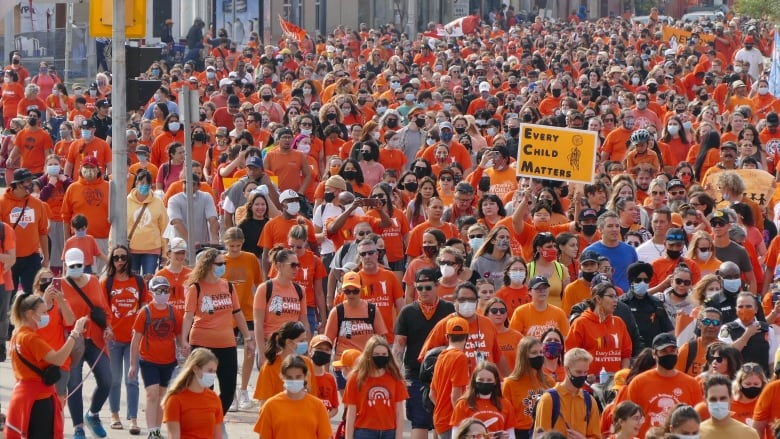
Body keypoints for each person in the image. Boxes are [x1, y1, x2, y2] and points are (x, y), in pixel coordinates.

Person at [181, 247, 255, 415]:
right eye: (219, 264)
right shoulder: (196, 288)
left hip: (227, 343)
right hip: (201, 343)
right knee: (205, 387)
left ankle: (215, 418)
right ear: (208, 265)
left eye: (224, 263)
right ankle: (205, 421)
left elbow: (237, 312)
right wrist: (184, 340)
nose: (223, 266)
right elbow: (188, 316)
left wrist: (247, 337)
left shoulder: (228, 286)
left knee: (229, 390)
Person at [4, 292, 87, 439]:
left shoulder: (17, 334)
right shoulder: (30, 338)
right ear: (30, 314)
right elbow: (58, 359)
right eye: (43, 312)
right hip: (38, 399)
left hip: (23, 396)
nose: (46, 315)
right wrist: (75, 333)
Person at [394, 267, 455, 438]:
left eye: (428, 287)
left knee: (442, 421)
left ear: (437, 286)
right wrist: (396, 374)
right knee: (418, 421)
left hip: (444, 374)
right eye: (419, 288)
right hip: (415, 375)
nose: (423, 291)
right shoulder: (407, 312)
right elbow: (399, 347)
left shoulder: (449, 309)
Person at [62, 248, 113, 439]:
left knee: (107, 380)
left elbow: (103, 308)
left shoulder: (93, 281)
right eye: (72, 266)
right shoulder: (61, 285)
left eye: (79, 265)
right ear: (66, 265)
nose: (75, 268)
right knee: (74, 383)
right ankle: (78, 427)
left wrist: (108, 327)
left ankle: (92, 414)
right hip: (73, 340)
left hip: (95, 340)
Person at [616, 333, 704, 438]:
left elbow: (699, 419)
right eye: (664, 351)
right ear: (654, 354)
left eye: (672, 350)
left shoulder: (691, 384)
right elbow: (628, 417)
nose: (669, 354)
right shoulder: (639, 382)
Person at [128, 276, 182, 439]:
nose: (162, 293)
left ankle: (157, 430)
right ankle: (152, 431)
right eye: (159, 290)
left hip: (168, 360)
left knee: (162, 396)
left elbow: (179, 335)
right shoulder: (145, 312)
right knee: (152, 394)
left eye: (165, 290)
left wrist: (185, 347)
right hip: (148, 360)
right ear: (151, 292)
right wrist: (132, 364)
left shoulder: (173, 311)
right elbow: (136, 339)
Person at [103, 246, 145, 434]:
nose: (120, 261)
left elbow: (144, 306)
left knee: (132, 380)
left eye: (123, 257)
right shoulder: (106, 282)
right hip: (113, 339)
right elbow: (102, 308)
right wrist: (106, 327)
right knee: (114, 379)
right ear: (111, 261)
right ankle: (114, 415)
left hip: (133, 339)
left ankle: (133, 419)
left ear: (128, 259)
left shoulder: (138, 281)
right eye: (116, 258)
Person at [343, 335, 409, 438]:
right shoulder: (356, 378)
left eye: (384, 354)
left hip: (389, 432)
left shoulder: (395, 378)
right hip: (364, 432)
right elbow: (351, 413)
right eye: (376, 354)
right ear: (368, 356)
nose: (380, 357)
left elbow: (399, 413)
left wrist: (399, 436)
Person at [255, 354, 333, 438]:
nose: (294, 380)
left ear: (305, 376)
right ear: (282, 376)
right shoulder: (270, 406)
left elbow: (325, 436)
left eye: (298, 377)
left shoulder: (318, 406)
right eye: (289, 377)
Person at [533, 347, 601, 438]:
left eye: (585, 372)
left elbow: (596, 436)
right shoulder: (548, 399)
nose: (583, 376)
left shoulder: (590, 401)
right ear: (566, 369)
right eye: (578, 372)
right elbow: (540, 436)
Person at [565, 281, 632, 374]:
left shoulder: (619, 322)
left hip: (615, 383)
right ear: (598, 299)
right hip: (588, 384)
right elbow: (570, 355)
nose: (615, 300)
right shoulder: (581, 323)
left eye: (616, 296)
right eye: (611, 296)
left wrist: (623, 375)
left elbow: (626, 353)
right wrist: (582, 376)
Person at [0, 167, 48, 294]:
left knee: (33, 298)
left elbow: (43, 232)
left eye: (30, 181)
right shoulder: (2, 203)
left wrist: (46, 258)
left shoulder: (38, 204)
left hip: (32, 257)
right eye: (26, 181)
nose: (30, 184)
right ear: (17, 184)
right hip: (9, 260)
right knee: (8, 299)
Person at [162, 347, 224, 439]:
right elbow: (174, 436)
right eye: (210, 371)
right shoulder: (175, 400)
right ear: (195, 369)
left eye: (214, 371)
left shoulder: (214, 398)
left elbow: (218, 435)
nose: (213, 375)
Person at [254, 320, 318, 408]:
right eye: (301, 340)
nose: (305, 343)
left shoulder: (307, 363)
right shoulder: (269, 367)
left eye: (305, 340)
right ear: (289, 342)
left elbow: (313, 395)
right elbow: (265, 403)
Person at [503, 336, 555, 439]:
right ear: (524, 356)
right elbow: (505, 415)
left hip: (544, 431)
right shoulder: (510, 383)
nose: (539, 356)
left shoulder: (549, 381)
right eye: (534, 353)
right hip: (520, 433)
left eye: (541, 352)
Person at [430, 316, 471, 439]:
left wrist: (442, 409)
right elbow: (455, 395)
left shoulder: (441, 356)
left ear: (447, 337)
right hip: (453, 422)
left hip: (441, 419)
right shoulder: (460, 357)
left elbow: (432, 394)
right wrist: (462, 421)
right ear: (467, 337)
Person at [450, 361, 516, 438]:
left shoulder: (506, 404)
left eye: (489, 380)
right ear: (474, 381)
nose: (485, 383)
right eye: (481, 380)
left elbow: (511, 435)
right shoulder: (463, 404)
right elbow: (455, 435)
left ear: (495, 381)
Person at [718, 291, 777, 373]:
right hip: (735, 380)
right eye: (740, 307)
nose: (744, 309)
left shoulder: (767, 330)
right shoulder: (727, 328)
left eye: (748, 306)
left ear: (756, 309)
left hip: (761, 379)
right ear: (736, 310)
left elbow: (772, 362)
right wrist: (747, 334)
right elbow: (727, 355)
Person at [127, 169, 168, 277]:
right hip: (131, 249)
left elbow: (164, 228)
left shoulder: (158, 202)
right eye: (142, 183)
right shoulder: (126, 202)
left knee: (149, 281)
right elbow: (116, 227)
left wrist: (165, 253)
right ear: (136, 183)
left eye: (148, 183)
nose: (144, 186)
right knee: (132, 281)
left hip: (152, 250)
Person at [582, 211, 638, 291]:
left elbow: (636, 277)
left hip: (626, 300)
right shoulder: (589, 252)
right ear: (600, 230)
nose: (614, 229)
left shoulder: (630, 250)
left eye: (617, 226)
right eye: (610, 226)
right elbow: (583, 281)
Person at [699, 373, 760, 439]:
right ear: (706, 401)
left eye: (722, 398)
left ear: (731, 399)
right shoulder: (696, 433)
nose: (718, 403)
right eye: (713, 399)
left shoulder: (749, 434)